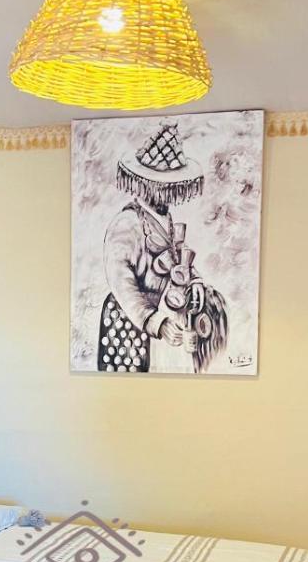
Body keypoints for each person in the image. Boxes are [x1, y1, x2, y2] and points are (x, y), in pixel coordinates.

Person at [97, 123, 228, 374]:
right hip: (130, 319)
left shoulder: (164, 218)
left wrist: (195, 281)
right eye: (165, 186)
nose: (170, 195)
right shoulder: (126, 223)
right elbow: (122, 283)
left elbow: (177, 257)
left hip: (163, 316)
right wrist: (154, 321)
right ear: (147, 184)